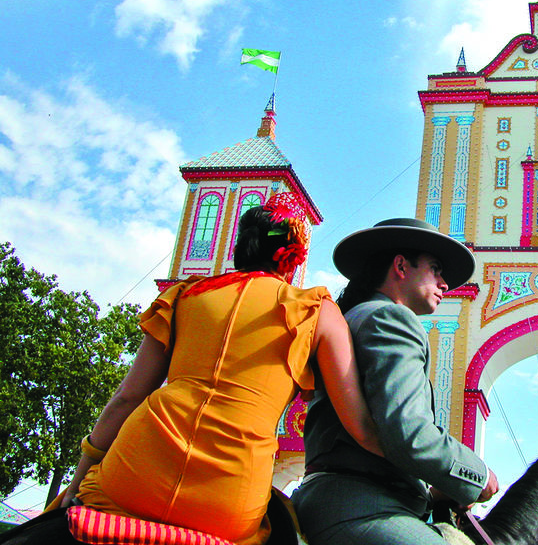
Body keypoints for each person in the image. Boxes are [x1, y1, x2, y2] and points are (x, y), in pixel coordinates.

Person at [50, 193, 382, 545]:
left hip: (135, 472)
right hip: (230, 497)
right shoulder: (315, 309)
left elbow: (127, 398)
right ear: (292, 257)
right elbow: (359, 424)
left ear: (241, 244)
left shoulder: (182, 296)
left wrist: (77, 482)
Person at [292, 218, 499, 545]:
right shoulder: (390, 317)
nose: (445, 284)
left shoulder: (355, 317)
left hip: (344, 500)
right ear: (401, 266)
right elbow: (407, 432)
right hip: (362, 506)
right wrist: (478, 475)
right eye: (435, 269)